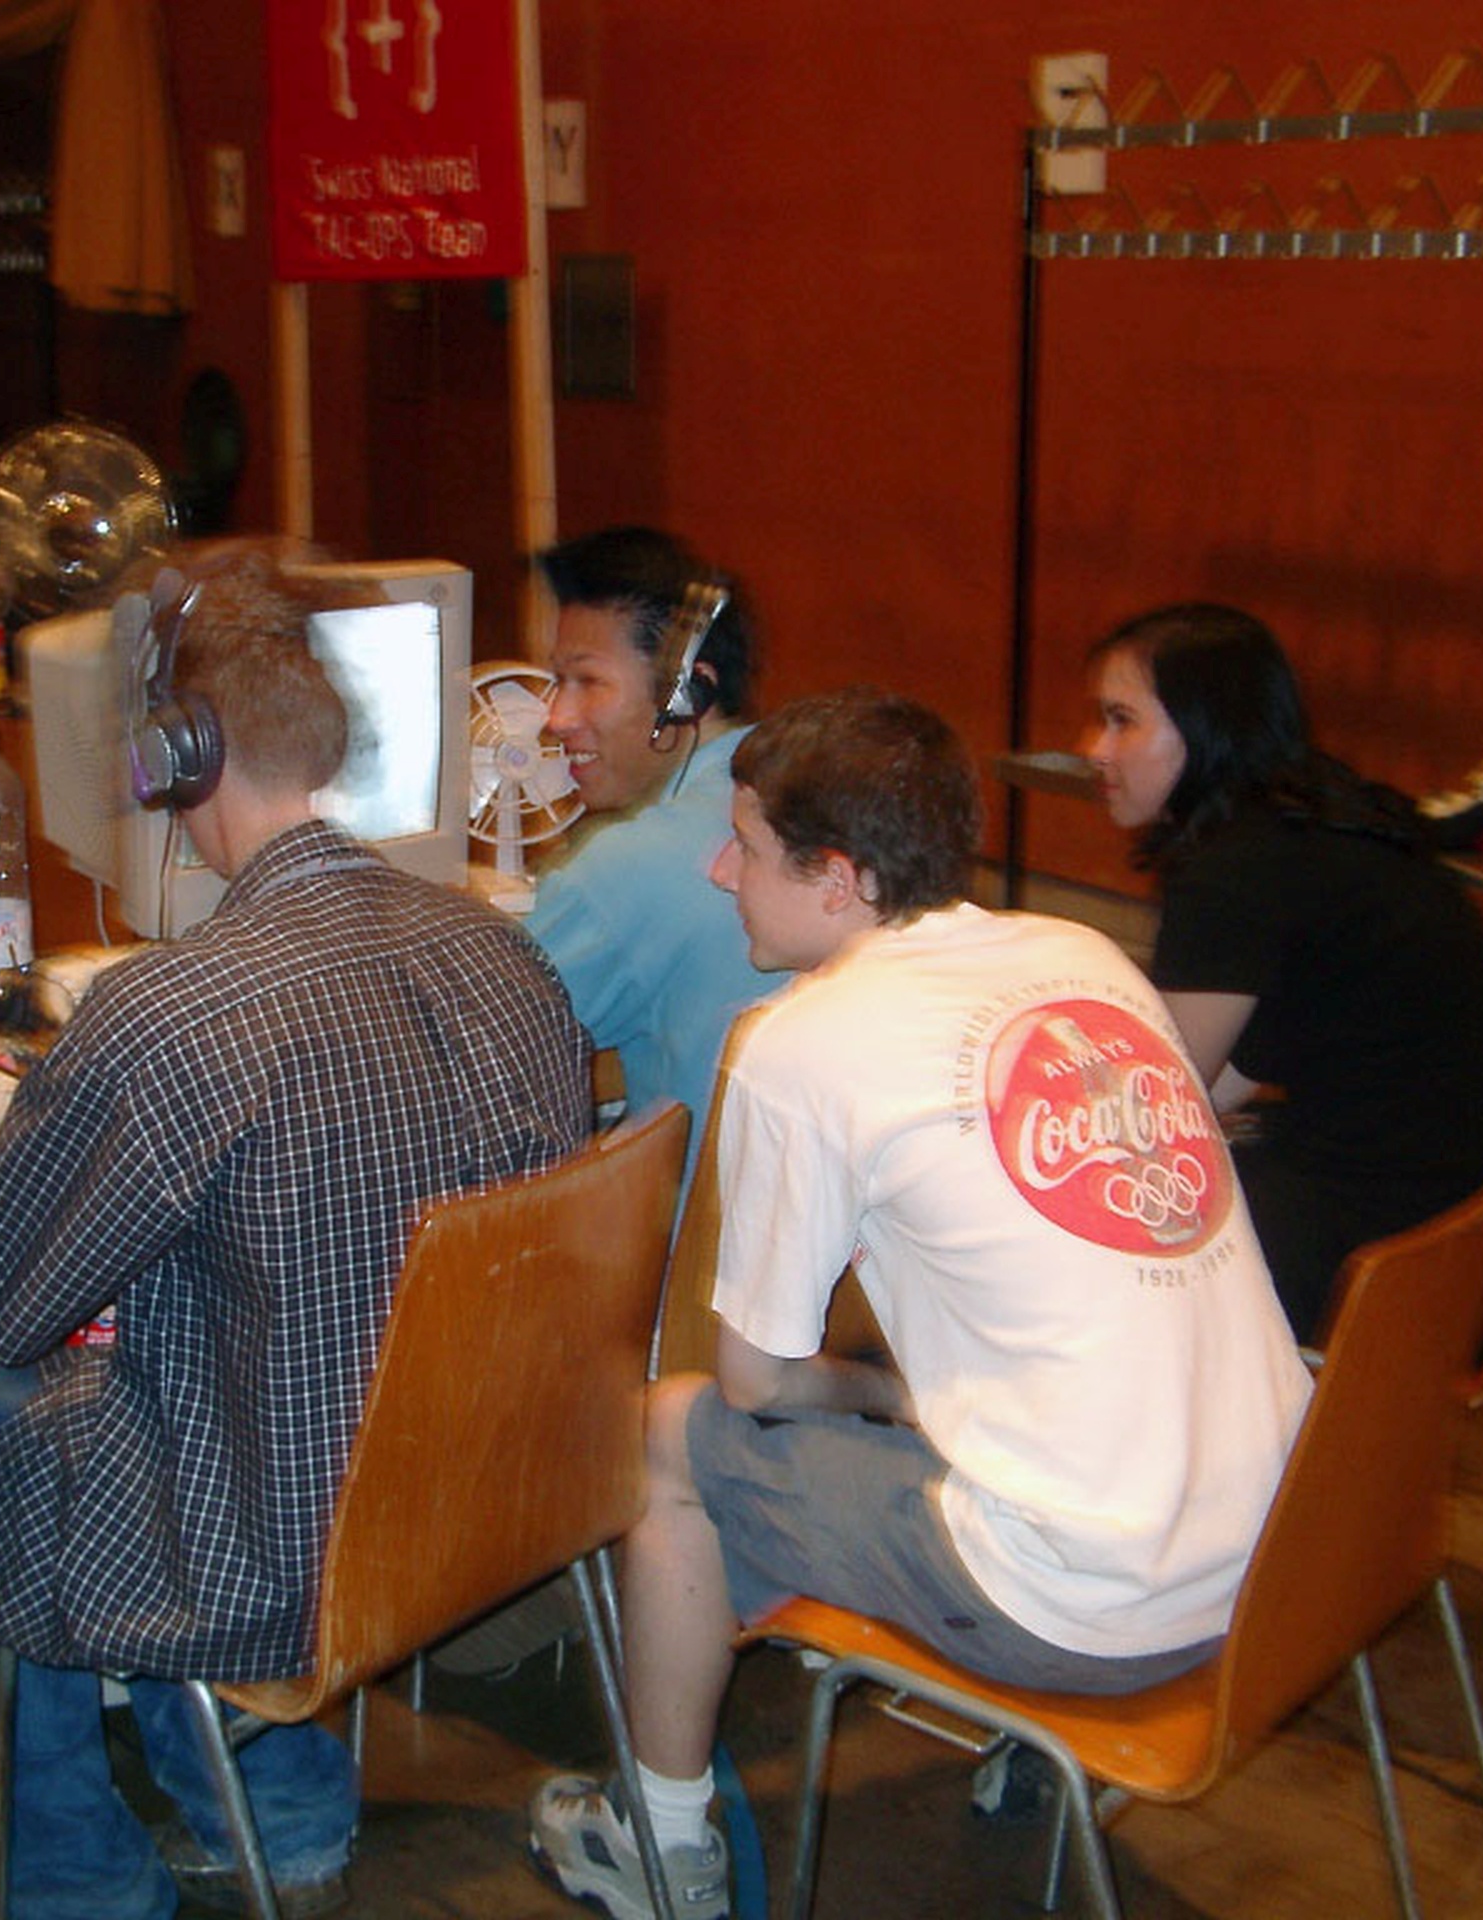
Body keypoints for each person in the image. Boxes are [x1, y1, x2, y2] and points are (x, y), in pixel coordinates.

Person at [0, 550, 589, 1920]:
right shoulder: (502, 954)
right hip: (492, 1502)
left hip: (278, 1554)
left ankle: (72, 1885)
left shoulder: (172, 1011)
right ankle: (281, 1817)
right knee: (208, 1366)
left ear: (175, 758)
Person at [525, 688, 1311, 1920]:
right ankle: (1000, 1738)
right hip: (1281, 1556)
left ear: (837, 881)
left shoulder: (800, 1040)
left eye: (745, 846)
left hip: (1094, 1611)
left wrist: (888, 1395)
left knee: (672, 1434)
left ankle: (659, 1845)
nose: (721, 872)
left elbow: (755, 1384)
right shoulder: (1081, 954)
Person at [1083, 603, 1483, 1340]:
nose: (1096, 749)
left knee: (1085, 1234)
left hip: (1393, 1247)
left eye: (1121, 721)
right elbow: (1235, 1066)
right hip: (1481, 1221)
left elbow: (1158, 1105)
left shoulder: (1237, 869)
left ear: (1207, 727)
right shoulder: (1314, 815)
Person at [523, 526, 779, 1195]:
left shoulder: (625, 868)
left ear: (687, 694)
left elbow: (468, 1040)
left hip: (699, 1250)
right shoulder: (817, 797)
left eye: (587, 681)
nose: (556, 716)